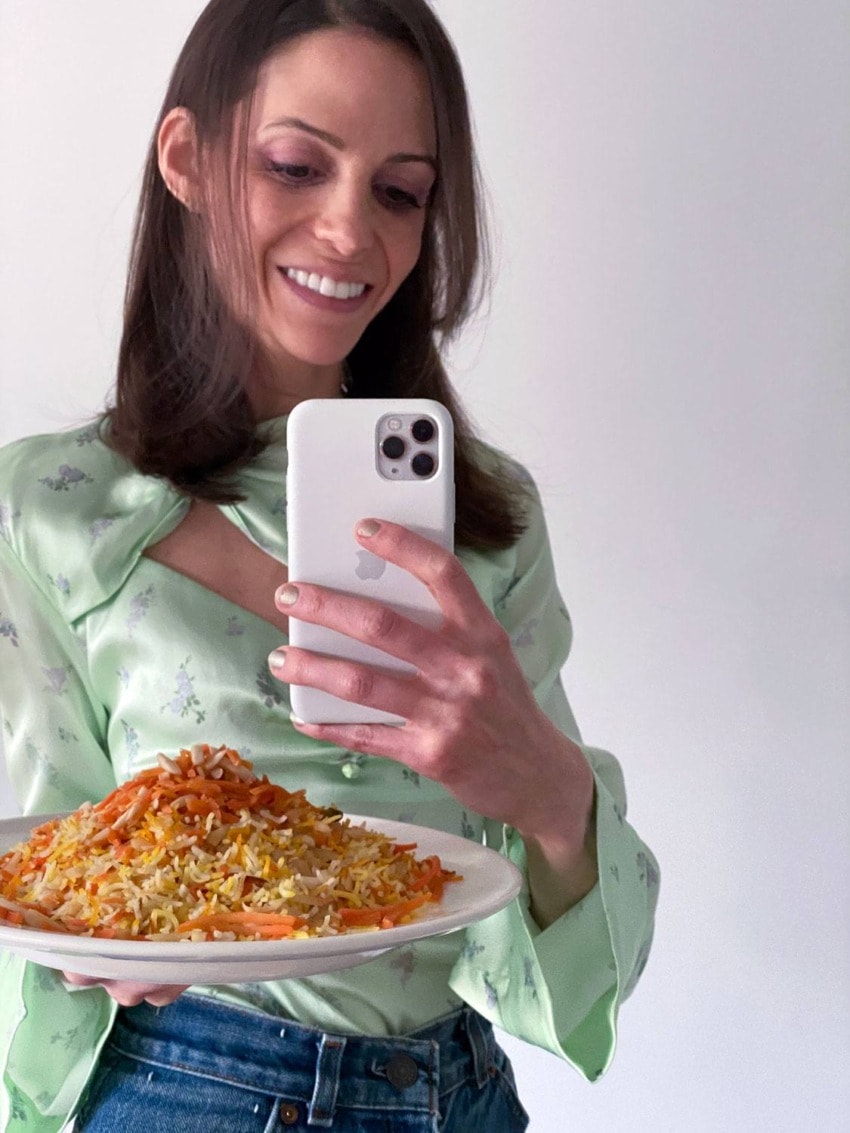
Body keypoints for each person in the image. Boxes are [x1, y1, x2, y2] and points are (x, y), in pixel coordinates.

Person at [0, 1, 659, 1130]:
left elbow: (547, 965)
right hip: (191, 1083)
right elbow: (43, 856)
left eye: (400, 191)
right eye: (297, 165)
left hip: (458, 1092)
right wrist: (88, 951)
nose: (352, 231)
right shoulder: (51, 510)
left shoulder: (482, 521)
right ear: (189, 161)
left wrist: (552, 791)